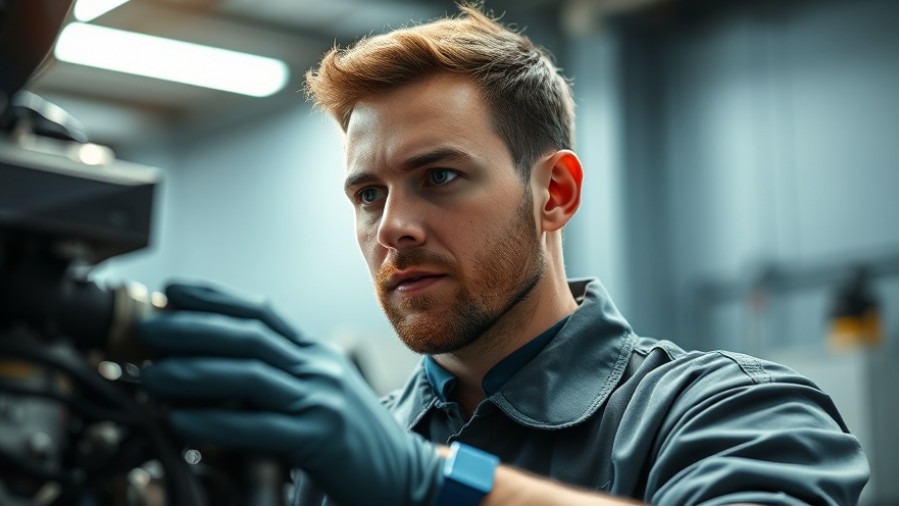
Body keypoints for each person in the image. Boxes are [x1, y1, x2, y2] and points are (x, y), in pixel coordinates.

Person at [136, 4, 869, 506]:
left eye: (439, 177)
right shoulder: (330, 456)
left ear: (553, 193)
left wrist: (433, 486)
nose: (393, 227)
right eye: (367, 195)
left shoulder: (732, 411)